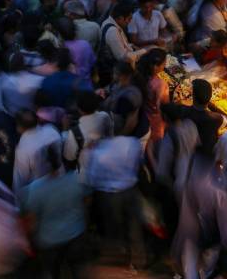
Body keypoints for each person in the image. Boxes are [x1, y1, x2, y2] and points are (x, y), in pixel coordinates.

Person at [19, 144, 90, 278]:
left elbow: (30, 222)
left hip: (50, 242)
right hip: (75, 234)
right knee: (77, 271)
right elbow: (86, 202)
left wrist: (28, 242)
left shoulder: (34, 190)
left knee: (52, 273)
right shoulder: (75, 179)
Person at [83, 133, 146, 268]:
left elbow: (92, 179)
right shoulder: (133, 142)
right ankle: (138, 260)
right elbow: (140, 162)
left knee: (113, 227)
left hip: (109, 195)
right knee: (134, 226)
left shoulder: (98, 152)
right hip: (130, 190)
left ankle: (119, 257)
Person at [172, 152, 227, 279]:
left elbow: (185, 215)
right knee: (207, 270)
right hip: (212, 238)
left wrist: (180, 238)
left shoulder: (188, 184)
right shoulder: (220, 191)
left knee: (190, 270)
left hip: (190, 235)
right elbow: (225, 223)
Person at [12, 109, 63, 192]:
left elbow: (20, 178)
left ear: (19, 127)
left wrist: (17, 198)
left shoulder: (23, 149)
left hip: (40, 191)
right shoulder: (52, 130)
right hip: (60, 180)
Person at [63, 90, 112, 171]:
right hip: (106, 163)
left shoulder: (74, 133)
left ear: (79, 109)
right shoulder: (105, 116)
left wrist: (65, 130)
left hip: (87, 173)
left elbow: (69, 157)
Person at [179, 79, 224, 157]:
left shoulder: (184, 111)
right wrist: (209, 103)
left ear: (193, 96)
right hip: (203, 156)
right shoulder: (216, 118)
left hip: (185, 152)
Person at [136, 48, 169, 153]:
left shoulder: (141, 76)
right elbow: (162, 106)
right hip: (155, 121)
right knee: (153, 146)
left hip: (144, 114)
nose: (165, 65)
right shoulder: (160, 84)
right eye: (164, 63)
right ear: (157, 67)